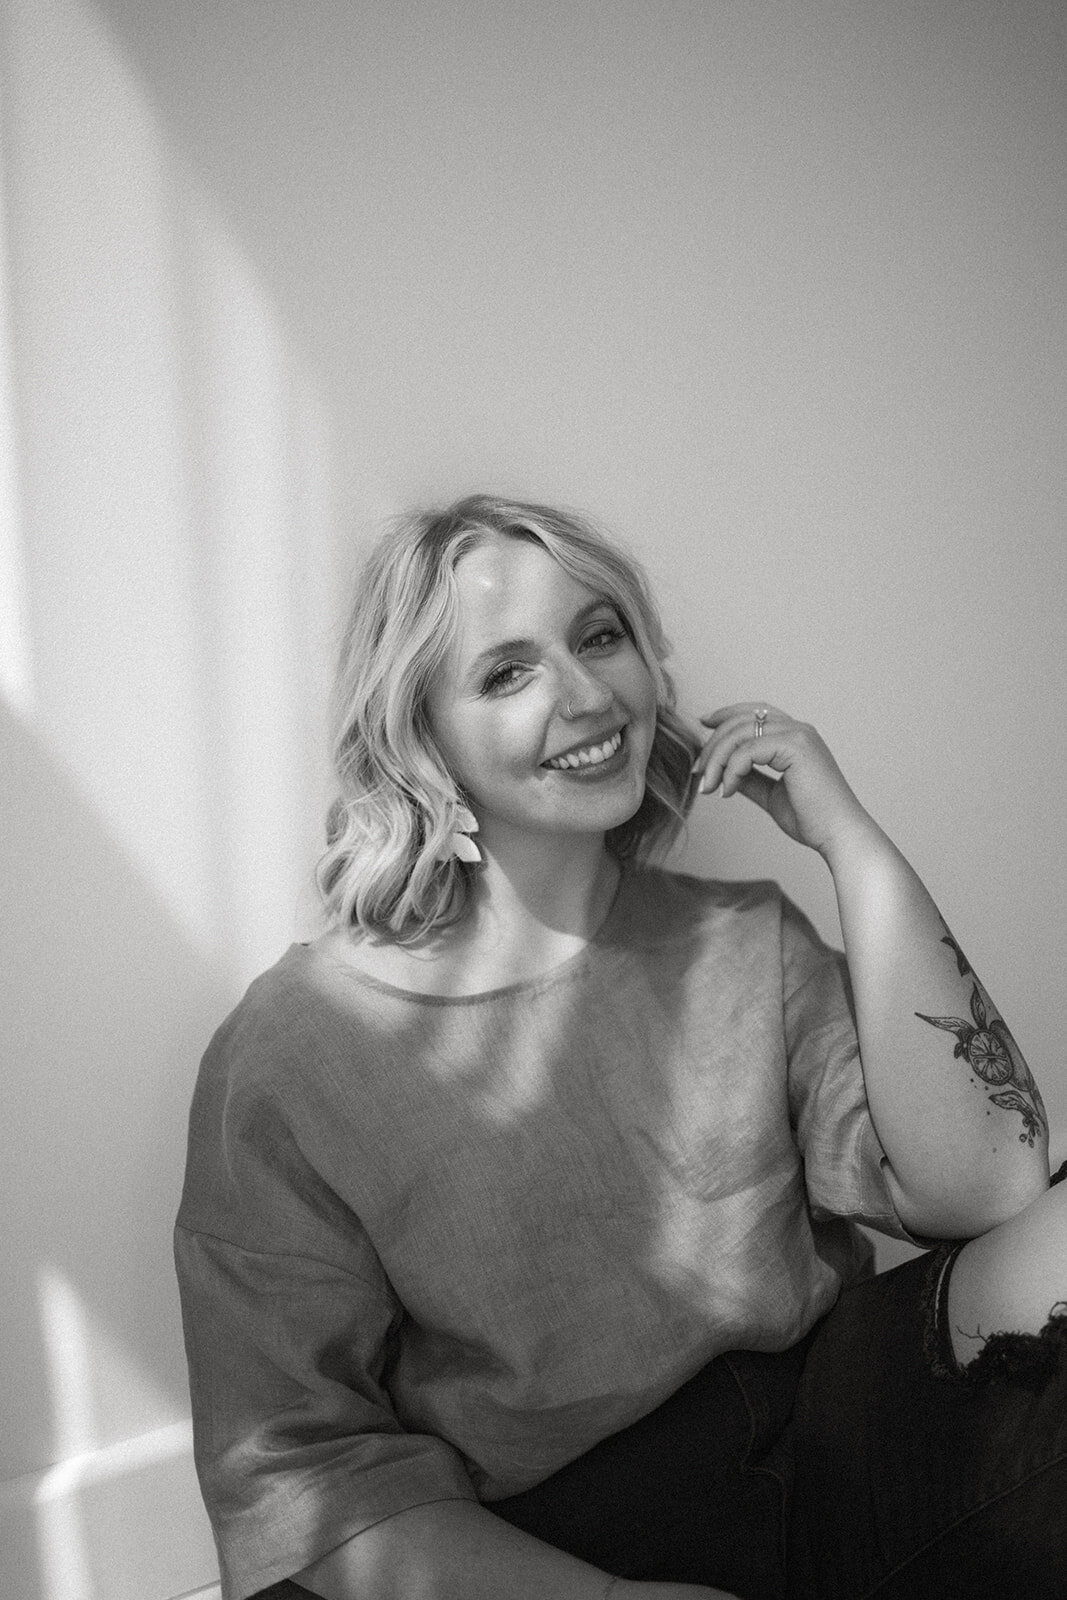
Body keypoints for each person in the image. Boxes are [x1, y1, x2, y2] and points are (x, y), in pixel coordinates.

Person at [175, 494, 1067, 1600]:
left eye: (598, 637)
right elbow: (294, 1468)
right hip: (572, 1539)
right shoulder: (294, 1048)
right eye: (507, 672)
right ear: (420, 740)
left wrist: (851, 843)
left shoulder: (745, 940)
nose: (588, 695)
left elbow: (989, 1186)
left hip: (840, 1438)